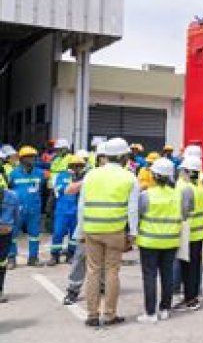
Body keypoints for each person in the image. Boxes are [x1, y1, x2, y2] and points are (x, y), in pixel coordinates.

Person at [76, 137, 139, 328]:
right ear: (121, 156)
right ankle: (110, 315)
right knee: (112, 271)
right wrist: (133, 233)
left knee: (93, 271)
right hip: (114, 231)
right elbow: (133, 209)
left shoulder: (91, 175)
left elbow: (82, 205)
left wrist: (80, 231)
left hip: (92, 229)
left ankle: (92, 315)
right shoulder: (129, 177)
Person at [136, 158, 191, 324]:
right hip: (170, 242)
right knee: (167, 275)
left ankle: (150, 313)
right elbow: (185, 215)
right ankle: (165, 309)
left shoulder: (146, 195)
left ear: (154, 175)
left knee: (149, 277)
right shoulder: (179, 194)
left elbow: (138, 215)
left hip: (149, 242)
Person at [63, 143, 107, 305]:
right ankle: (73, 290)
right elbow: (69, 190)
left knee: (105, 257)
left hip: (109, 223)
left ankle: (103, 285)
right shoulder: (91, 175)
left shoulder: (119, 174)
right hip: (87, 224)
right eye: (103, 157)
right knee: (81, 256)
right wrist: (91, 179)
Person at [173, 155, 203, 311]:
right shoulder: (199, 186)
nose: (180, 173)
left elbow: (182, 211)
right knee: (194, 267)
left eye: (182, 170)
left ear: (188, 171)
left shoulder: (184, 187)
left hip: (187, 232)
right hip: (198, 233)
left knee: (187, 268)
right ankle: (193, 298)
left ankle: (190, 300)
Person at [8, 146, 46, 268]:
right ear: (22, 159)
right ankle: (11, 258)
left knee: (34, 235)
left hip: (34, 209)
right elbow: (8, 190)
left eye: (33, 157)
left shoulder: (40, 173)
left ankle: (33, 258)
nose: (32, 159)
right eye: (29, 157)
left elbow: (44, 189)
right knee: (13, 234)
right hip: (17, 209)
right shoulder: (13, 174)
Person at [49, 152, 87, 265]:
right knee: (58, 233)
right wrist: (74, 182)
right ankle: (54, 256)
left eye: (80, 166)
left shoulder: (85, 178)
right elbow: (59, 189)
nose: (77, 168)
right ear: (70, 166)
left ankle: (70, 255)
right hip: (62, 210)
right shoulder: (62, 175)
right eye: (74, 165)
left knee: (74, 236)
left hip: (77, 211)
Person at [0, 186, 21, 303]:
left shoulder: (12, 196)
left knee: (2, 262)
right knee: (2, 263)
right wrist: (14, 234)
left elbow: (17, 217)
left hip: (5, 233)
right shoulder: (13, 196)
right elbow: (17, 217)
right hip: (6, 232)